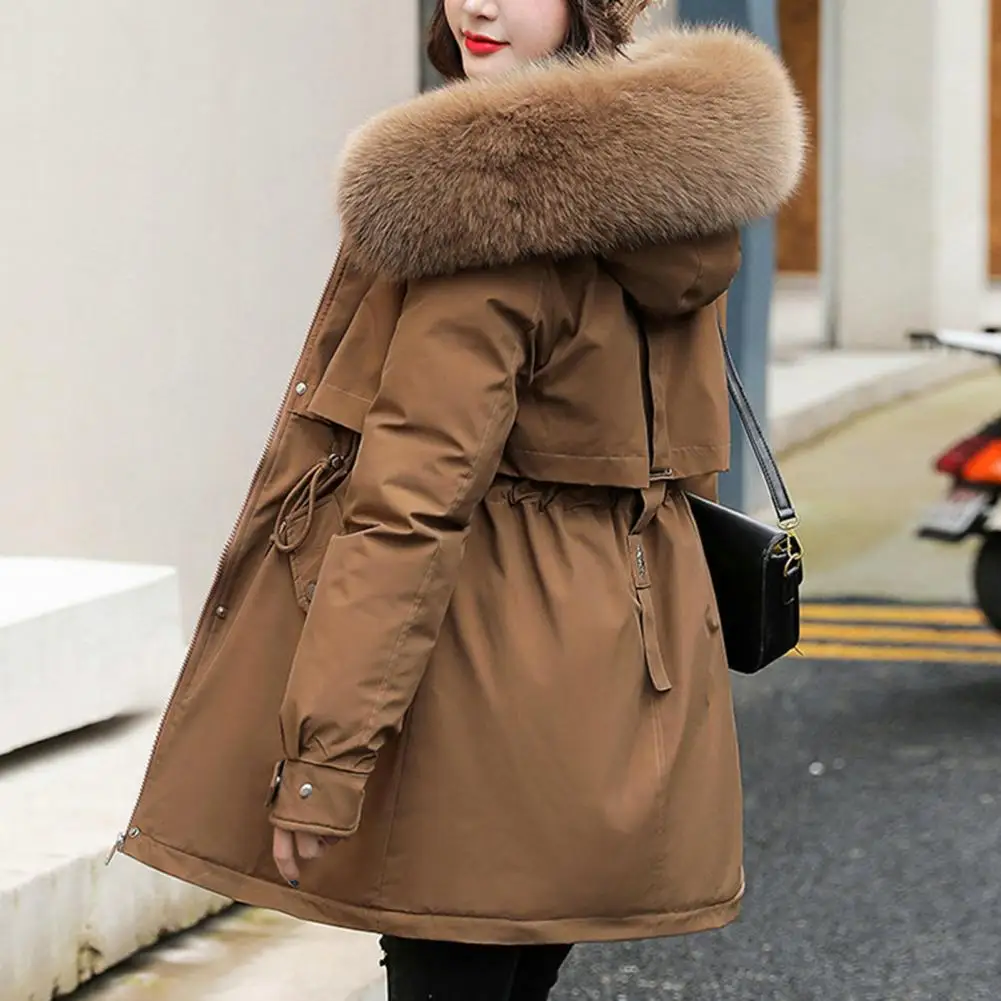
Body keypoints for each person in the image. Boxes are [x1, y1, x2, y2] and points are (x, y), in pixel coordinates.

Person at [115, 1, 805, 998]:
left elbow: (408, 507)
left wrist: (323, 758)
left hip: (472, 696)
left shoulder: (484, 209)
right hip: (623, 688)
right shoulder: (675, 190)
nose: (476, 3)